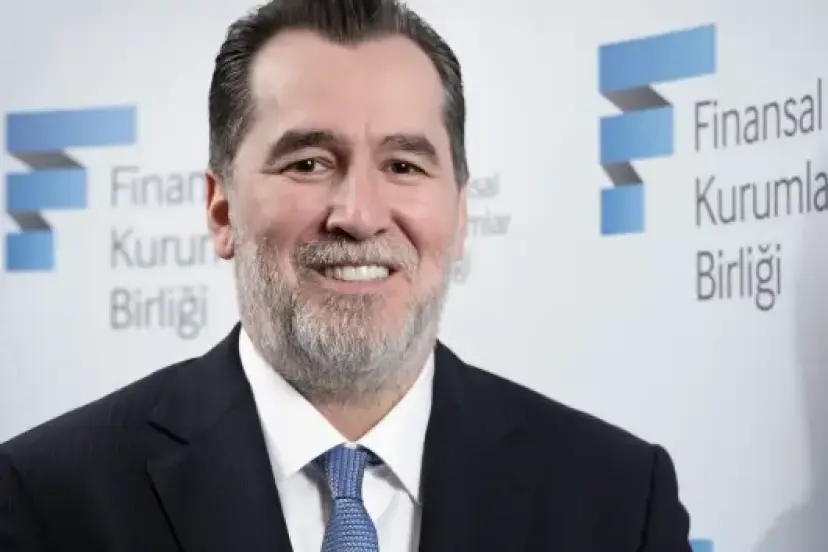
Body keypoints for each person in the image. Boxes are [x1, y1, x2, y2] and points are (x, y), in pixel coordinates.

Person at [0, 0, 693, 550]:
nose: (358, 215)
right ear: (221, 209)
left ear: (460, 215)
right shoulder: (46, 499)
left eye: (403, 166)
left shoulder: (617, 501)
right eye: (308, 163)